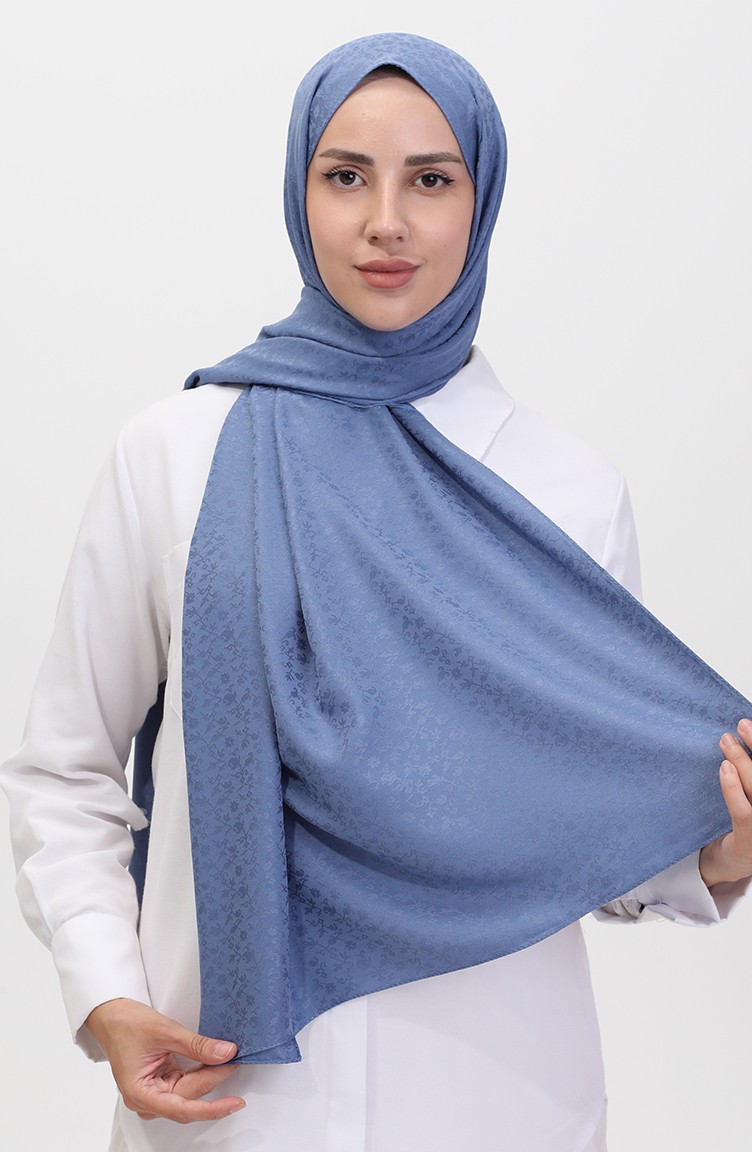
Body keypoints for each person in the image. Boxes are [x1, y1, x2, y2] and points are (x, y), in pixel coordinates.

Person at [2, 31, 752, 1152]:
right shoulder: (175, 454)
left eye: (431, 180)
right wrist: (105, 992)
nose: (385, 222)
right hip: (232, 1099)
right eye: (345, 176)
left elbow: (573, 829)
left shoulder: (569, 490)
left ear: (482, 200)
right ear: (298, 190)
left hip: (499, 1101)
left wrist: (709, 855)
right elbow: (63, 770)